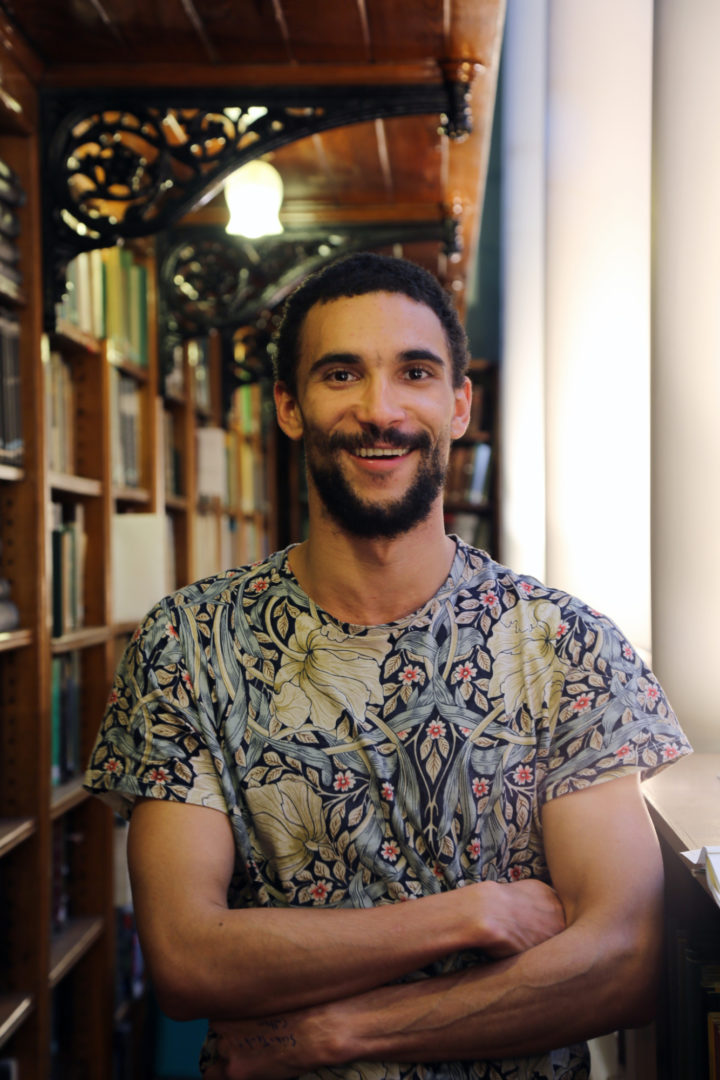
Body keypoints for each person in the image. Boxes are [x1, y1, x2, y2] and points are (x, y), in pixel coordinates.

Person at [85, 252, 692, 1080]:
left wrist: (338, 1034)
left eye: (415, 373)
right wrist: (471, 915)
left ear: (458, 403)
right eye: (342, 374)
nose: (381, 410)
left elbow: (623, 961)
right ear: (291, 408)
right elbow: (189, 959)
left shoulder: (568, 647)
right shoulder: (189, 645)